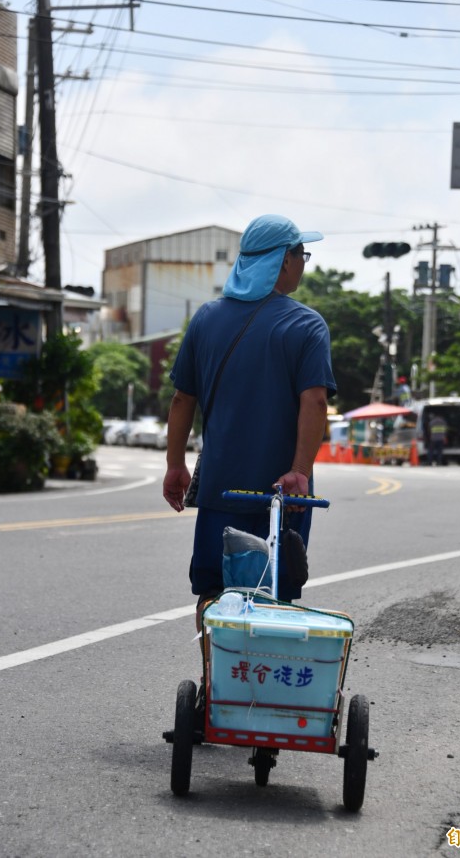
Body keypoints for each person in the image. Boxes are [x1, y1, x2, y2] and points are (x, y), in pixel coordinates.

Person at [163, 214, 337, 638]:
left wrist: (174, 466)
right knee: (274, 592)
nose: (303, 263)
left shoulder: (206, 319)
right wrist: (298, 471)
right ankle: (261, 686)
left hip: (221, 486)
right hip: (283, 496)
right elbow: (314, 400)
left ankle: (215, 685)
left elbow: (182, 398)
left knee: (213, 592)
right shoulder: (306, 325)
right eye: (302, 254)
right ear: (283, 261)